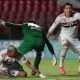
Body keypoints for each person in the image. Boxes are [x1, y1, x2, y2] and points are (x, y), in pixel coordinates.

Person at [47, 2, 80, 74]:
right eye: (67, 9)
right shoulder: (60, 17)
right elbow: (52, 28)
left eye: (70, 8)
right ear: (64, 10)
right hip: (64, 36)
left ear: (72, 9)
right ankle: (61, 65)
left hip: (74, 39)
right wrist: (46, 38)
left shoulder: (77, 15)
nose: (68, 10)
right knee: (65, 47)